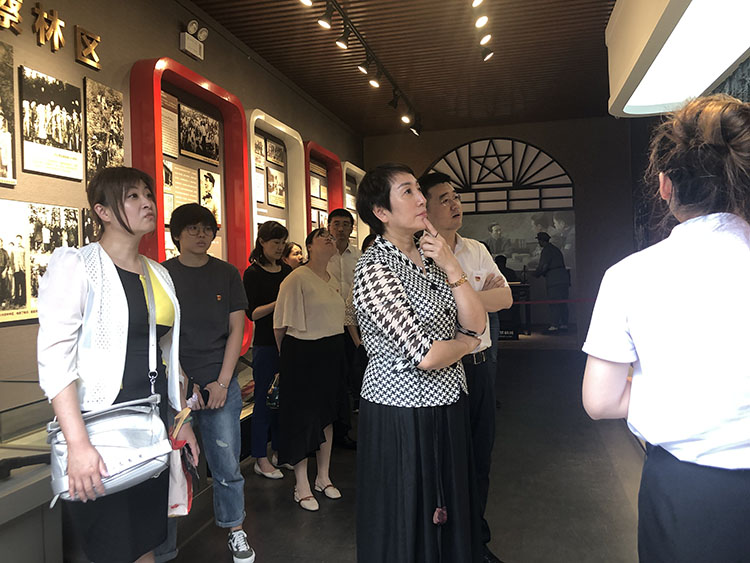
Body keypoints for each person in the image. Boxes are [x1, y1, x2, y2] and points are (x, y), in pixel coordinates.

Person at [582, 94, 750, 561]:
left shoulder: (630, 275)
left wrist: (675, 388)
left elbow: (600, 401)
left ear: (664, 185)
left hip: (687, 498)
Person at [36, 167, 199, 563]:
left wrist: (181, 420)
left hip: (152, 426)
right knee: (112, 547)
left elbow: (167, 356)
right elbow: (55, 360)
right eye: (132, 196)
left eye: (148, 194)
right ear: (103, 211)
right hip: (99, 427)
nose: (147, 203)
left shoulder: (159, 273)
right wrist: (78, 444)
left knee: (145, 541)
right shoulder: (77, 265)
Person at [353, 163, 486, 562]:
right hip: (401, 409)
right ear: (381, 212)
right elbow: (425, 354)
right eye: (407, 192)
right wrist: (467, 343)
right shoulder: (374, 267)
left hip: (449, 399)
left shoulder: (431, 255)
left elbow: (477, 320)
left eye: (418, 189)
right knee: (408, 512)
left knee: (450, 505)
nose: (420, 199)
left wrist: (452, 266)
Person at [420, 172, 513, 563]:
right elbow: (437, 311)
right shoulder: (419, 255)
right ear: (425, 208)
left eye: (455, 196)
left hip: (480, 365)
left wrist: (462, 297)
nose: (454, 204)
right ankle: (446, 543)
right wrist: (476, 297)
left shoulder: (476, 249)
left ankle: (477, 540)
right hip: (444, 371)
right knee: (445, 460)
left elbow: (505, 298)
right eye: (443, 199)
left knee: (480, 456)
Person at [162, 203, 254, 563]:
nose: (201, 235)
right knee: (170, 466)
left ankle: (235, 529)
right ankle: (163, 545)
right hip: (176, 385)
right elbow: (161, 334)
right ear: (177, 234)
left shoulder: (227, 273)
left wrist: (222, 382)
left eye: (207, 228)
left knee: (226, 464)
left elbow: (236, 329)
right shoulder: (163, 274)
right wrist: (183, 383)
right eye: (193, 228)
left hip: (221, 384)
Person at [273, 227, 346, 512]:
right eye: (321, 237)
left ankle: (323, 477)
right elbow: (280, 325)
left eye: (331, 237)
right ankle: (301, 484)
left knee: (327, 415)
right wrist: (287, 361)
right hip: (302, 352)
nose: (329, 239)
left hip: (332, 350)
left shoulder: (333, 278)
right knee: (302, 418)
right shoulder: (296, 278)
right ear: (309, 247)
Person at [243, 220, 291, 479]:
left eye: (283, 243)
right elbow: (253, 313)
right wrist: (279, 301)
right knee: (263, 399)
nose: (280, 247)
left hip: (289, 341)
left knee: (284, 399)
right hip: (265, 344)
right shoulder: (252, 274)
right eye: (275, 242)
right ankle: (260, 457)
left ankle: (280, 450)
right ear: (262, 242)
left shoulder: (286, 270)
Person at [327, 208, 360, 449]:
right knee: (331, 378)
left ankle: (345, 430)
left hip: (354, 326)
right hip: (326, 324)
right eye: (336, 223)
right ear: (328, 226)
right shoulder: (322, 255)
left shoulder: (359, 257)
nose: (340, 228)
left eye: (345, 224)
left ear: (351, 228)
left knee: (351, 376)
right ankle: (329, 429)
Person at [344, 233, 378, 413]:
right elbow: (349, 313)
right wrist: (358, 342)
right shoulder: (361, 278)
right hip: (368, 347)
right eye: (369, 250)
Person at [533, 232, 569, 332]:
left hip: (554, 280)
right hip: (563, 279)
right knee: (563, 303)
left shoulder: (546, 250)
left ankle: (554, 325)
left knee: (554, 302)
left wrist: (535, 274)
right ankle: (564, 323)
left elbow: (543, 266)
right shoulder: (555, 249)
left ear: (541, 241)